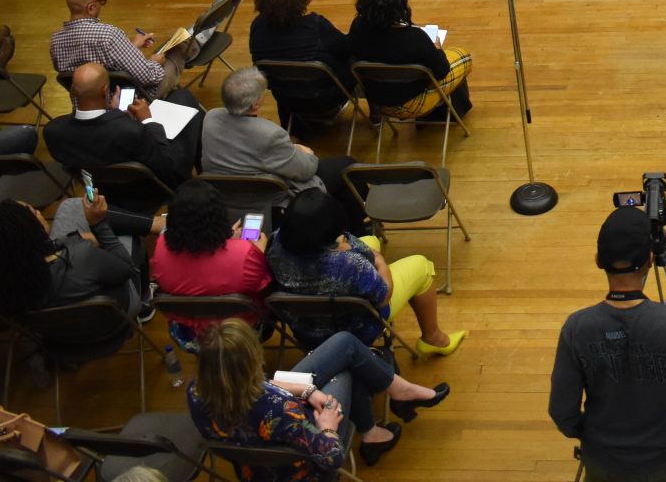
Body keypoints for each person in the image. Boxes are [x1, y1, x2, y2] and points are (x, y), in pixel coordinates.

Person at [550, 206, 666, 481]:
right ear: (650, 260)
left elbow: (561, 410)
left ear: (598, 260)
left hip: (605, 464)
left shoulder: (576, 328)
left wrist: (594, 438)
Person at [190, 319, 447, 474]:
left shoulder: (196, 392)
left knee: (344, 344)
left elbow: (259, 386)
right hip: (297, 467)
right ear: (251, 360)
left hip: (251, 460)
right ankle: (382, 418)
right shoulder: (279, 409)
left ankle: (384, 414)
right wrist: (327, 428)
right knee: (345, 369)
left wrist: (307, 390)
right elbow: (330, 459)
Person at [266, 188, 465, 355]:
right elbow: (384, 296)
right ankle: (433, 338)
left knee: (370, 240)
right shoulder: (350, 264)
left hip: (306, 331)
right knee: (421, 265)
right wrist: (379, 261)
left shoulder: (276, 244)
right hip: (356, 329)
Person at [44, 62, 197, 225]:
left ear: (72, 91)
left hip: (103, 190)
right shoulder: (132, 131)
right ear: (105, 91)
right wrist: (147, 120)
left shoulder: (52, 131)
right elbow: (165, 165)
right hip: (149, 191)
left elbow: (95, 141)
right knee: (184, 98)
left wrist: (114, 115)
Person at [199, 66, 353, 212]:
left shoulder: (210, 117)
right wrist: (305, 153)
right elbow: (305, 171)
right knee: (347, 166)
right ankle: (355, 227)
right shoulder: (269, 134)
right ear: (255, 105)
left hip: (227, 195)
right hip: (268, 199)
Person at [149, 180, 272, 350]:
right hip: (238, 335)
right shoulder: (246, 255)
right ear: (220, 215)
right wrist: (261, 251)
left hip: (188, 336)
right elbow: (266, 295)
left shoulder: (161, 247)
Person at [0, 194, 145, 321]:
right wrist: (99, 225)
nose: (39, 212)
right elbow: (126, 269)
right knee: (128, 238)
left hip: (56, 339)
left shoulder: (0, 282)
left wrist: (69, 241)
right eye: (33, 213)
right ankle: (145, 300)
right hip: (114, 324)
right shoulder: (81, 257)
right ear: (30, 233)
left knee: (69, 206)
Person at [345, 0, 472, 120]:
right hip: (411, 104)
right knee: (462, 55)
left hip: (377, 99)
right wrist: (438, 48)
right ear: (398, 2)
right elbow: (442, 71)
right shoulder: (415, 37)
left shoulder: (357, 28)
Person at [246, 0, 353, 131]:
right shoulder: (316, 26)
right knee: (356, 59)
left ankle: (293, 131)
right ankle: (377, 111)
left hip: (287, 99)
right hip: (327, 98)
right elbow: (346, 49)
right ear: (301, 1)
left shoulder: (258, 27)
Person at [49, 0, 190, 101]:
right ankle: (196, 45)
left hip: (85, 105)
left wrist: (131, 47)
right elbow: (149, 77)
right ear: (91, 8)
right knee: (179, 48)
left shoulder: (55, 42)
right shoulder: (109, 35)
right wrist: (154, 62)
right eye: (101, 2)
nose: (102, 5)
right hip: (128, 102)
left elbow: (96, 65)